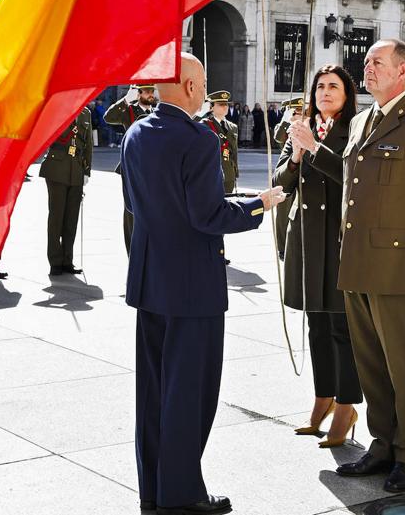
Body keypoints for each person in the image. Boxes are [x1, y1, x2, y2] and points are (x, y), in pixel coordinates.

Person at [295, 39, 405, 495]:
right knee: (370, 362)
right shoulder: (364, 120)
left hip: (396, 261)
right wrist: (311, 149)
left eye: (377, 62)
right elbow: (351, 182)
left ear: (403, 71)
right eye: (366, 62)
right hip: (358, 260)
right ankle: (382, 443)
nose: (367, 68)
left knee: (402, 364)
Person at [121, 53, 285, 514]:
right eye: (205, 81)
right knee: (189, 395)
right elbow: (208, 215)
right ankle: (183, 494)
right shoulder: (198, 138)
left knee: (153, 393)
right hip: (193, 285)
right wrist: (258, 205)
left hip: (151, 279)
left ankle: (154, 490)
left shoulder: (136, 134)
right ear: (192, 88)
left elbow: (134, 203)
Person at [274, 66, 363, 448]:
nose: (325, 92)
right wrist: (295, 157)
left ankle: (346, 405)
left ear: (347, 93)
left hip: (340, 241)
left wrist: (313, 147)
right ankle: (323, 396)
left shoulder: (356, 128)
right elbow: (280, 183)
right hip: (307, 239)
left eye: (333, 86)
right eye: (320, 86)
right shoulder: (302, 127)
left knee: (343, 327)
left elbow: (353, 175)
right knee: (317, 326)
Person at [39, 107, 93, 275]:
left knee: (71, 219)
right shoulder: (58, 106)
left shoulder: (85, 113)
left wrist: (86, 171)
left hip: (76, 169)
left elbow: (88, 143)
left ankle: (67, 260)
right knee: (56, 217)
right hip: (56, 167)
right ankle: (55, 261)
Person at [104, 85, 156, 256]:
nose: (150, 94)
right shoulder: (129, 110)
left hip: (154, 169)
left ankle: (149, 252)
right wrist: (126, 99)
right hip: (134, 167)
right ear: (138, 93)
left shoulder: (156, 112)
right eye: (147, 91)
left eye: (152, 91)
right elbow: (109, 117)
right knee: (132, 211)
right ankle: (133, 254)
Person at [272, 96, 303, 258]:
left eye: (300, 112)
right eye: (295, 112)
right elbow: (278, 137)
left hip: (299, 173)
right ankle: (282, 247)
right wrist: (286, 120)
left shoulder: (305, 127)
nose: (298, 115)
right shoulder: (284, 127)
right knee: (283, 212)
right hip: (285, 171)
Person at [200, 91, 239, 193]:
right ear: (211, 107)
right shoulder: (205, 124)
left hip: (229, 173)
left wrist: (235, 172)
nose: (225, 107)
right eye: (221, 104)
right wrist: (201, 113)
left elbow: (234, 151)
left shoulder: (233, 127)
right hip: (213, 172)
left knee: (228, 203)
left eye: (226, 104)